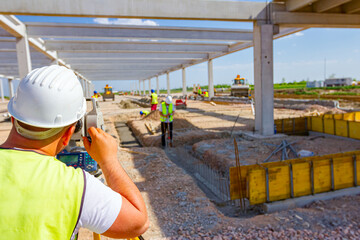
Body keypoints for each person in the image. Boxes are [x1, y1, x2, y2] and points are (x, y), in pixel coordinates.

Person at [0, 65, 148, 239]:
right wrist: (108, 161)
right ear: (70, 132)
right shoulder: (74, 185)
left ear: (13, 118)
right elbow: (139, 223)